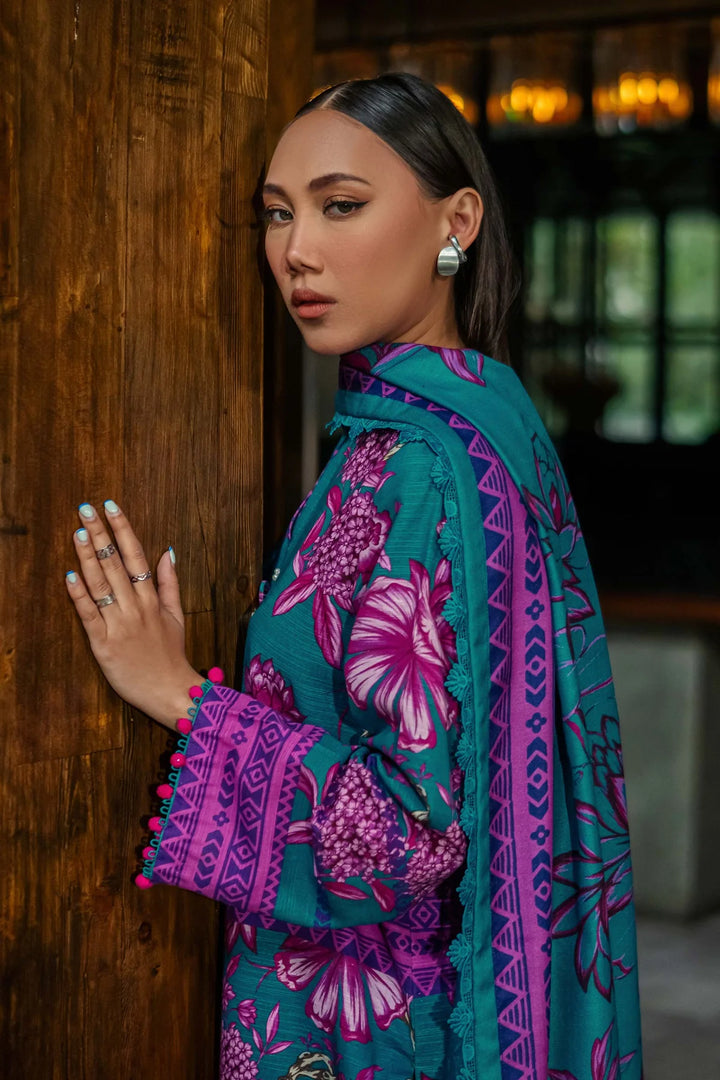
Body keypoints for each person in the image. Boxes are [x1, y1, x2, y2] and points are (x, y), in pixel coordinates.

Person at [66, 73, 643, 1080]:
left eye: (341, 205)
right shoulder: (449, 429)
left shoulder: (423, 467)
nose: (298, 249)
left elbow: (409, 835)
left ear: (456, 223)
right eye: (277, 214)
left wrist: (180, 695)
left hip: (384, 1026)